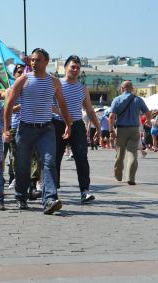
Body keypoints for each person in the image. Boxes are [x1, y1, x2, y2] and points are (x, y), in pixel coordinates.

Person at [4, 48, 73, 214]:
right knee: (23, 165)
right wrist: (5, 129)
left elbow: (62, 104)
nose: (34, 63)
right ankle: (21, 196)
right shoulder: (23, 80)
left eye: (38, 60)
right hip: (26, 128)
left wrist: (68, 124)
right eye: (33, 60)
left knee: (49, 162)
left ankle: (50, 199)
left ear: (46, 62)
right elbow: (9, 104)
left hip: (46, 129)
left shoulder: (54, 81)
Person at [53, 55, 100, 203]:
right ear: (65, 67)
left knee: (81, 157)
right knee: (55, 158)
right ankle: (52, 191)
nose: (75, 70)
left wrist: (97, 127)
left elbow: (90, 110)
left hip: (77, 125)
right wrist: (64, 115)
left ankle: (84, 191)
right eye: (72, 66)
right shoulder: (56, 84)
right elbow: (49, 104)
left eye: (78, 68)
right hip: (58, 124)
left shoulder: (82, 88)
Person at [108, 80, 151, 185]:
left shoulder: (116, 99)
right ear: (132, 89)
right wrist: (148, 120)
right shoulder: (138, 99)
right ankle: (131, 178)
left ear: (122, 88)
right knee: (132, 153)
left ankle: (118, 175)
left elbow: (111, 116)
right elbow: (148, 113)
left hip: (121, 129)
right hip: (134, 129)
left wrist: (111, 130)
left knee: (120, 154)